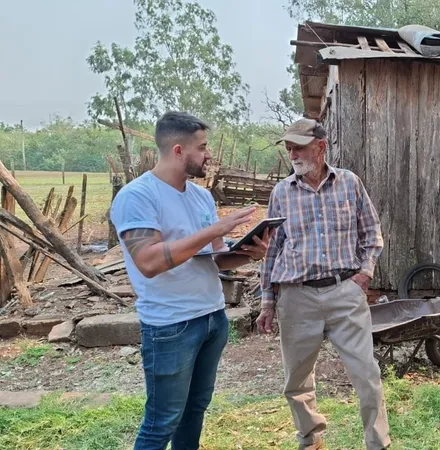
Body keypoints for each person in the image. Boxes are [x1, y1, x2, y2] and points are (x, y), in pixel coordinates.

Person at [110, 111, 270, 450]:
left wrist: (248, 252)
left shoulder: (201, 197)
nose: (209, 155)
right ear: (179, 150)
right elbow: (149, 262)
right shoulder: (137, 196)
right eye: (203, 147)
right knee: (161, 420)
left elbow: (216, 258)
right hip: (170, 325)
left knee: (195, 409)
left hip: (212, 317)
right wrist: (216, 229)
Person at [256, 118, 391, 450]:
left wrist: (364, 274)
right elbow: (271, 250)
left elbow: (371, 233)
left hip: (345, 292)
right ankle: (310, 440)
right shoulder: (281, 193)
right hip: (296, 297)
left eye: (298, 147)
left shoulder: (349, 183)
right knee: (297, 381)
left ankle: (378, 444)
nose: (292, 153)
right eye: (288, 148)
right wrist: (267, 301)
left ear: (320, 146)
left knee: (367, 376)